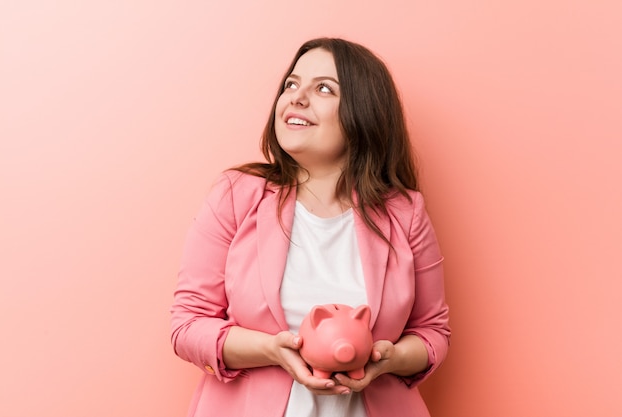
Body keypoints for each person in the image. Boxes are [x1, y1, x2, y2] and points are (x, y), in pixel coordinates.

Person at [170, 37, 450, 417]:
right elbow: (187, 326)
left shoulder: (404, 212)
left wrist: (390, 358)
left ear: (363, 112)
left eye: (323, 88)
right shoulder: (237, 195)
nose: (296, 98)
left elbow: (433, 332)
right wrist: (271, 350)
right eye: (291, 84)